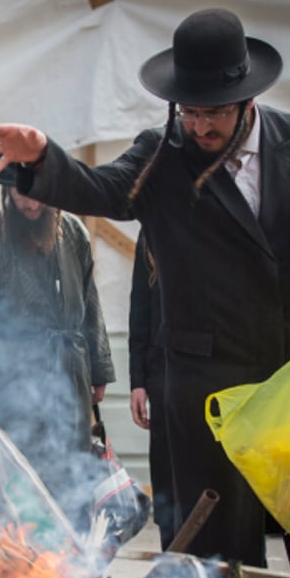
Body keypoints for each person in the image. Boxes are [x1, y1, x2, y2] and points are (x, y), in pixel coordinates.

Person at [0, 8, 290, 578]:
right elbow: (101, 188)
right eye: (189, 110)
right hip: (207, 382)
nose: (201, 124)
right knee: (219, 551)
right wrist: (42, 161)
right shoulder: (162, 153)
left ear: (249, 98)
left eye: (215, 111)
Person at [0, 154, 115, 537]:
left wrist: (97, 367)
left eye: (36, 194)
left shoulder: (73, 233)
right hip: (9, 381)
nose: (28, 204)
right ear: (6, 192)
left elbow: (90, 302)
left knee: (71, 477)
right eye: (19, 194)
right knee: (15, 484)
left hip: (67, 376)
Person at [127, 233, 176, 552]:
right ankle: (172, 556)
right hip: (161, 373)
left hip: (211, 373)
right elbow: (140, 309)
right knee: (166, 473)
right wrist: (138, 381)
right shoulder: (151, 231)